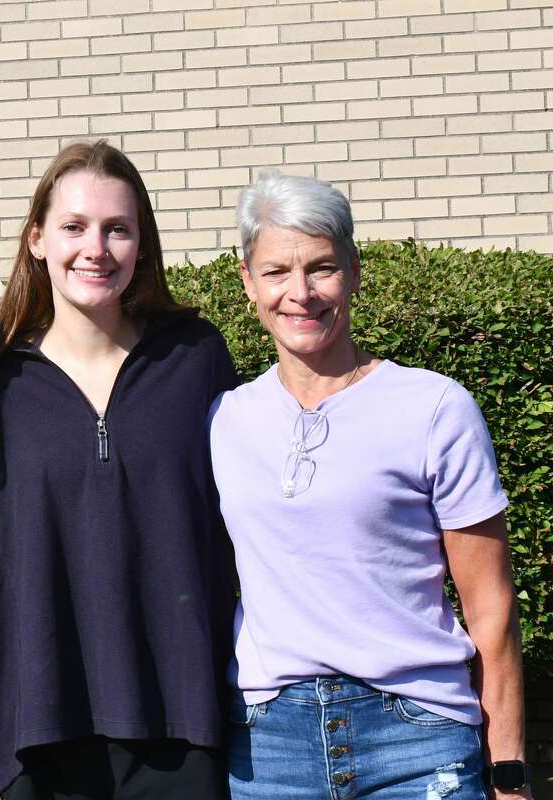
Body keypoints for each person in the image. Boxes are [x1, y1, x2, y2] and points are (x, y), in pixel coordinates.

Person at [210, 170, 531, 799]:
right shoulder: (223, 420)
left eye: (321, 267)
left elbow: (491, 610)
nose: (300, 293)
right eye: (276, 271)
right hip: (271, 748)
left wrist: (510, 773)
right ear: (248, 283)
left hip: (418, 739)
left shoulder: (435, 408)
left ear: (354, 272)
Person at [0, 140, 238, 799]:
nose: (97, 248)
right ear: (36, 240)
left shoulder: (195, 359)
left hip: (183, 724)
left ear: (142, 242)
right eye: (75, 227)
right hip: (38, 731)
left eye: (118, 229)